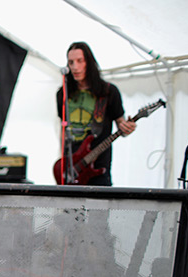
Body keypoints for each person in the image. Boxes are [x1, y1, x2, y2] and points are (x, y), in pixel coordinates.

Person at [56, 41, 136, 186]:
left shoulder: (108, 92)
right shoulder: (63, 93)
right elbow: (64, 130)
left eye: (80, 61)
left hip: (98, 167)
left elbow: (121, 126)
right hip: (72, 168)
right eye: (71, 62)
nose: (75, 67)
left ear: (89, 62)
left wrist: (126, 128)